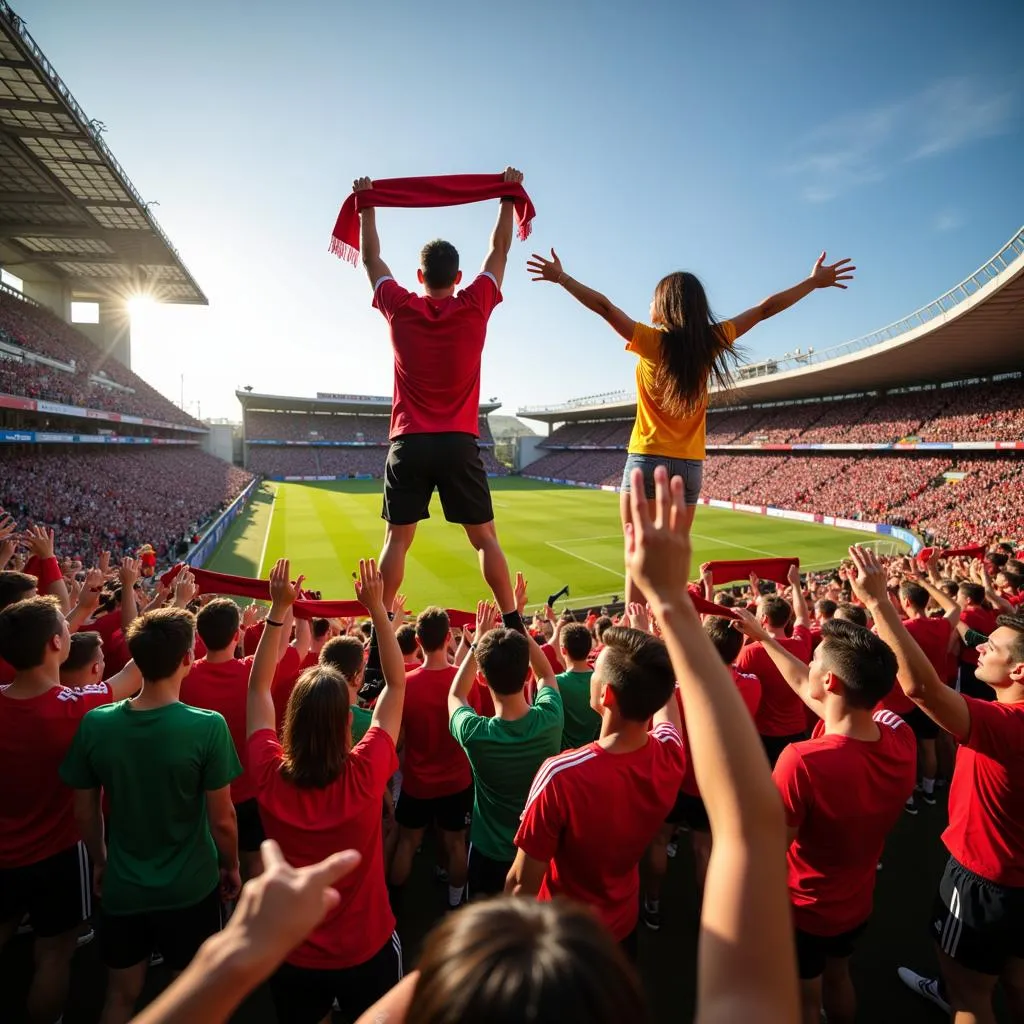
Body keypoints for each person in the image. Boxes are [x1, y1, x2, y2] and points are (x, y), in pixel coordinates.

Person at [526, 249, 854, 604]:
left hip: (647, 460)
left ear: (665, 306)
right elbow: (764, 309)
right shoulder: (710, 343)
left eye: (653, 298)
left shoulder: (651, 342)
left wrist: (562, 278)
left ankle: (635, 635)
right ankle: (669, 630)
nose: (648, 304)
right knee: (673, 558)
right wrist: (812, 282)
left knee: (636, 552)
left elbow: (605, 308)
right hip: (689, 467)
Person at [845, 547, 1024, 1024]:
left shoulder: (1005, 725)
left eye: (993, 647)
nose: (980, 646)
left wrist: (879, 603)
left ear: (1019, 672)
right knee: (1014, 976)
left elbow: (921, 689)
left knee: (967, 993)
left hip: (986, 878)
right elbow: (961, 628)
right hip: (1016, 875)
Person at [353, 168, 525, 633]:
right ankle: (512, 623)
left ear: (419, 275)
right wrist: (506, 196)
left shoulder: (400, 305)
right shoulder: (476, 302)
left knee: (397, 540)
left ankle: (381, 632)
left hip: (409, 440)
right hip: (458, 440)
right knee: (485, 539)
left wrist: (367, 203)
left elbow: (371, 258)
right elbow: (501, 249)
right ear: (459, 276)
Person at [731, 604, 916, 1024]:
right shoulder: (899, 735)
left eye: (814, 659)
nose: (807, 664)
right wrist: (764, 638)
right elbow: (806, 685)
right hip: (856, 901)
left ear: (830, 681)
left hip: (804, 907)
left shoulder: (803, 761)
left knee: (804, 998)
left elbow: (767, 851)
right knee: (839, 978)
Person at [60, 606, 241, 1024]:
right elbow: (223, 819)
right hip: (192, 887)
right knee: (193, 995)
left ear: (136, 662)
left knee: (120, 997)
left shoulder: (96, 724)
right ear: (187, 660)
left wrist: (102, 860)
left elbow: (84, 811)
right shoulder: (207, 726)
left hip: (124, 886)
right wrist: (230, 865)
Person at [245, 558, 407, 1023]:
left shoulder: (269, 773)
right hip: (367, 945)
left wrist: (279, 612)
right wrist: (378, 610)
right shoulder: (366, 770)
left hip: (293, 950)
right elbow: (395, 685)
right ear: (344, 721)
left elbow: (257, 691)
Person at [0, 597, 141, 1024]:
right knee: (55, 953)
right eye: (65, 624)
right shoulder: (75, 706)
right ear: (56, 644)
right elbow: (135, 673)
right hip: (60, 855)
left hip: (2, 854)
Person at [507, 624, 685, 959]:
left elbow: (521, 884)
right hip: (622, 928)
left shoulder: (562, 775)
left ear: (606, 695)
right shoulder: (672, 755)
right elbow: (667, 711)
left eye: (596, 669)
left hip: (562, 937)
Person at [646, 615, 762, 924]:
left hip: (675, 777)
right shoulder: (752, 686)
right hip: (713, 785)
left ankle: (653, 903)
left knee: (659, 840)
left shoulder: (679, 688)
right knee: (703, 851)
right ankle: (706, 914)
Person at [447, 599, 563, 899]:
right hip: (538, 853)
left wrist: (478, 642)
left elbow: (456, 694)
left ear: (482, 680)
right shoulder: (550, 718)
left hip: (488, 853)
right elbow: (547, 674)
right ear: (526, 676)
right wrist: (515, 622)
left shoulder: (475, 733)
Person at [180, 597, 298, 881]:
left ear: (199, 635)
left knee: (209, 860)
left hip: (203, 792)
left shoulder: (183, 676)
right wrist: (288, 603)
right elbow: (281, 647)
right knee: (254, 864)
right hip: (250, 790)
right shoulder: (251, 672)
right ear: (237, 635)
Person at [390, 607, 473, 910]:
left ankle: (394, 905)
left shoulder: (406, 685)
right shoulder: (463, 682)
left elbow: (397, 740)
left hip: (417, 782)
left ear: (417, 639)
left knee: (408, 843)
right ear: (449, 638)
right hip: (455, 781)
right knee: (455, 845)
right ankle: (455, 905)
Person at [735, 565, 814, 766]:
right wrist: (796, 585)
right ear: (788, 619)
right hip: (798, 731)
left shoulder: (751, 651)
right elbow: (803, 617)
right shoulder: (801, 643)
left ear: (763, 619)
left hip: (764, 733)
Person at [551, 621, 600, 750]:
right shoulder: (602, 680)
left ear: (563, 650)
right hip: (596, 753)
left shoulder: (555, 684)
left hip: (566, 757)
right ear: (589, 648)